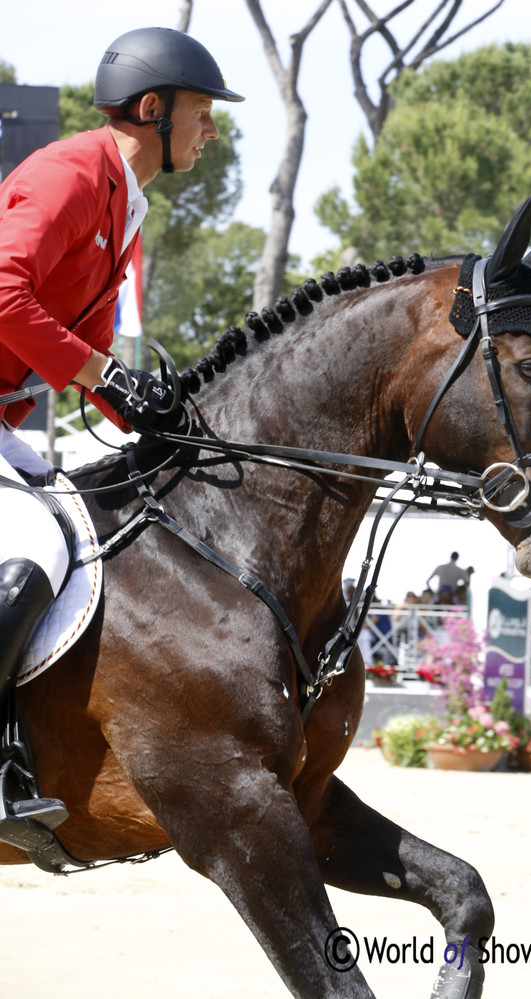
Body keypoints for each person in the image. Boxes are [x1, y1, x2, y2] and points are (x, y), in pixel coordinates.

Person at [0, 27, 244, 837]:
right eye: (203, 114)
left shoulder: (122, 205)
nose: (211, 132)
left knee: (75, 522)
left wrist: (165, 419)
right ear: (153, 109)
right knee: (38, 543)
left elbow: (93, 358)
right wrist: (105, 376)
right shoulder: (70, 174)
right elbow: (4, 295)